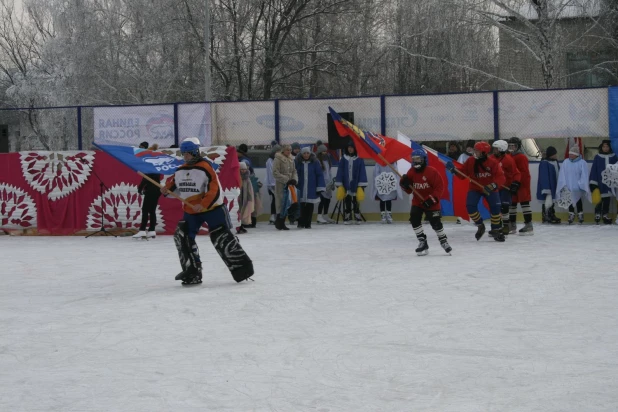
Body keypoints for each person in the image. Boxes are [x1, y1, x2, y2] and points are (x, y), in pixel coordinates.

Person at [161, 138, 254, 285]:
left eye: (189, 154)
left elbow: (214, 190)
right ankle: (192, 272)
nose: (186, 157)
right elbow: (173, 186)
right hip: (191, 211)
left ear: (195, 152)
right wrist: (166, 189)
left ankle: (242, 269)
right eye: (184, 154)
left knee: (221, 237)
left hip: (213, 209)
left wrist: (203, 204)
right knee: (182, 236)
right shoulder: (181, 170)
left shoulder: (205, 167)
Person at [446, 141, 506, 242]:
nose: (475, 152)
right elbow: (462, 174)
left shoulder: (493, 163)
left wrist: (493, 185)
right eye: (475, 150)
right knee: (470, 206)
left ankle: (496, 229)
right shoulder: (470, 161)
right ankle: (480, 225)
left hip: (490, 188)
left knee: (495, 207)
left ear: (484, 152)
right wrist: (454, 170)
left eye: (477, 151)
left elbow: (501, 177)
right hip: (475, 188)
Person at [399, 149, 452, 255]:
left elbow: (439, 188)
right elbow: (409, 190)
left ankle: (443, 240)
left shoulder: (432, 172)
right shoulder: (411, 172)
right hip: (417, 201)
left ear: (423, 159)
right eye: (413, 159)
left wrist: (431, 199)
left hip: (431, 201)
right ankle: (422, 241)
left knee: (435, 222)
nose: (416, 161)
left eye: (418, 159)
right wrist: (404, 183)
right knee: (414, 218)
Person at [492, 140, 521, 235]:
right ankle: (497, 227)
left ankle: (505, 226)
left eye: (496, 149)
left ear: (501, 149)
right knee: (495, 207)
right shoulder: (491, 159)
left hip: (505, 187)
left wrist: (515, 183)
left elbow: (516, 173)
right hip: (495, 187)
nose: (494, 150)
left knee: (504, 207)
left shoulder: (508, 160)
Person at [133, 141, 162, 239]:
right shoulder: (155, 161)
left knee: (145, 210)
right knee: (152, 210)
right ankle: (152, 230)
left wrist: (140, 187)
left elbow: (146, 177)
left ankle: (142, 230)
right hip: (156, 189)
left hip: (151, 189)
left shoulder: (149, 162)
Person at [335, 141, 368, 225]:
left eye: (352, 147)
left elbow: (362, 172)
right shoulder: (343, 159)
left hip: (356, 183)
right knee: (347, 199)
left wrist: (361, 185)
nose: (350, 149)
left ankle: (357, 214)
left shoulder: (359, 159)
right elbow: (340, 171)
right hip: (346, 183)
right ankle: (348, 215)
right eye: (349, 147)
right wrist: (339, 183)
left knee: (356, 200)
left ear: (355, 148)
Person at [556, 145, 591, 224]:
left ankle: (580, 214)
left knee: (578, 200)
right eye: (570, 153)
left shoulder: (582, 163)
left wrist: (581, 184)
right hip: (568, 186)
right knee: (569, 200)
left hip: (577, 187)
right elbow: (562, 174)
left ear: (577, 154)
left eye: (572, 154)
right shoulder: (566, 162)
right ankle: (571, 214)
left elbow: (584, 175)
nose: (570, 155)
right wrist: (563, 184)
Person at [507, 137, 533, 234]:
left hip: (522, 184)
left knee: (524, 203)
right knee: (512, 204)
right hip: (513, 183)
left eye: (513, 146)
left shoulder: (521, 157)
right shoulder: (509, 156)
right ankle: (512, 224)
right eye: (510, 146)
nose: (511, 148)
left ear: (518, 146)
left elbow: (524, 172)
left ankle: (529, 225)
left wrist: (518, 182)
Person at [295, 147, 325, 228]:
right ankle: (300, 223)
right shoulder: (298, 162)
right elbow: (294, 173)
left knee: (309, 206)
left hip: (311, 187)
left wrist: (319, 187)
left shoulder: (315, 162)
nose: (306, 155)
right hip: (300, 187)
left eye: (307, 153)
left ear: (310, 153)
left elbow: (319, 175)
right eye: (304, 153)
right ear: (301, 154)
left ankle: (308, 223)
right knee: (300, 206)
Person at [589, 140, 617, 224]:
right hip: (599, 182)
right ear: (601, 147)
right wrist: (593, 182)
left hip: (609, 183)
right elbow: (594, 169)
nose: (605, 148)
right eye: (604, 147)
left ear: (609, 147)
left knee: (607, 199)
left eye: (607, 147)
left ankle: (605, 214)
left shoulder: (614, 157)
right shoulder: (597, 157)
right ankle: (597, 213)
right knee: (599, 198)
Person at [272, 144, 298, 230]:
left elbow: (294, 171)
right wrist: (286, 180)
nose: (289, 151)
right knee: (281, 203)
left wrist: (294, 179)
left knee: (288, 202)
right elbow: (275, 172)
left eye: (290, 150)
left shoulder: (291, 159)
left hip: (290, 185)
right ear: (283, 150)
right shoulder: (278, 159)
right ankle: (279, 222)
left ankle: (282, 222)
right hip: (281, 185)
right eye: (287, 150)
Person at [536, 146, 561, 224]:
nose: (556, 155)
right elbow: (544, 176)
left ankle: (551, 214)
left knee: (552, 201)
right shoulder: (544, 162)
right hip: (547, 186)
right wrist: (546, 188)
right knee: (546, 201)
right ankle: (546, 215)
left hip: (554, 185)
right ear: (551, 154)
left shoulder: (555, 162)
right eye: (554, 154)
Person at [315, 144, 335, 224]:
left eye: (325, 151)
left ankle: (325, 215)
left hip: (328, 183)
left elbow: (329, 172)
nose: (325, 153)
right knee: (322, 200)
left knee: (328, 199)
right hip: (321, 183)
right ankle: (319, 216)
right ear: (320, 152)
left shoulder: (327, 160)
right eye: (323, 151)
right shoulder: (317, 161)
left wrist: (331, 182)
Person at [265, 142, 281, 225]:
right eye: (277, 151)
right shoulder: (270, 161)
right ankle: (273, 215)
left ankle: (275, 215)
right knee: (275, 200)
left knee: (277, 200)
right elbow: (272, 173)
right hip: (273, 184)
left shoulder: (278, 160)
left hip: (277, 183)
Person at [237, 162, 254, 234]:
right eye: (241, 169)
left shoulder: (247, 179)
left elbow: (250, 189)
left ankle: (241, 225)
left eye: (244, 169)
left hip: (245, 197)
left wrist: (250, 198)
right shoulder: (237, 177)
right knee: (238, 211)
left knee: (243, 211)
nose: (243, 171)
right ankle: (238, 226)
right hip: (238, 197)